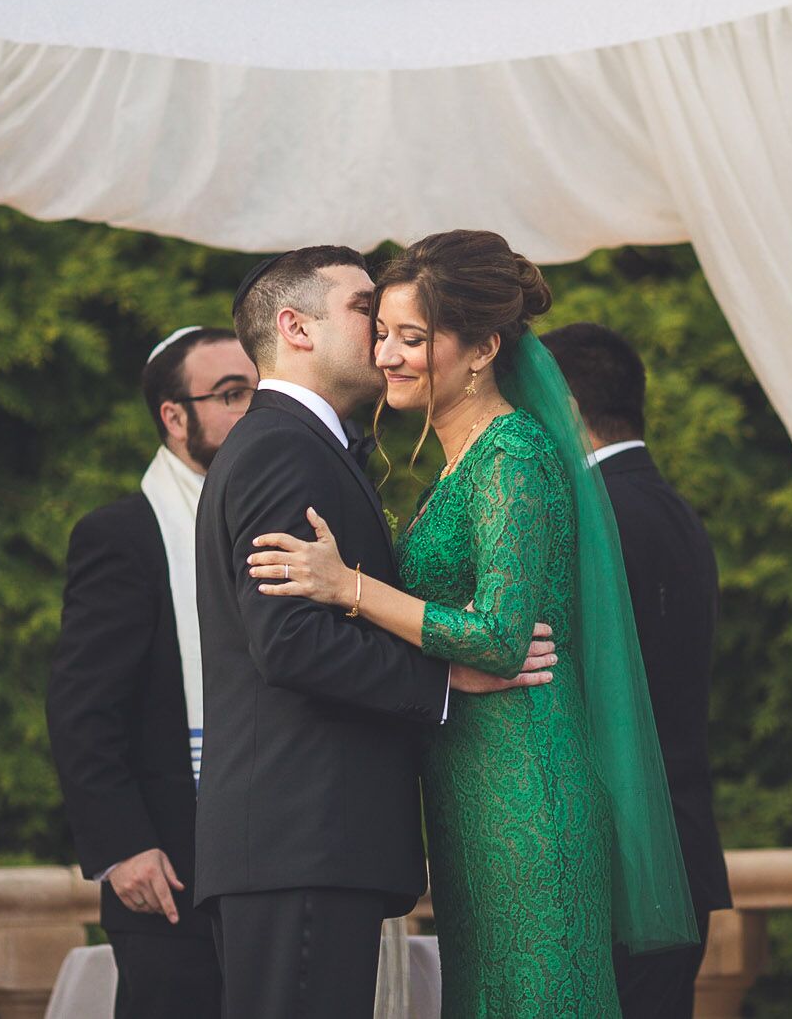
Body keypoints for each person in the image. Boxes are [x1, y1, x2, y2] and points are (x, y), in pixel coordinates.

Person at [249, 231, 697, 1017]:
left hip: (526, 789)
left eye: (412, 338)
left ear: (484, 347)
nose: (387, 354)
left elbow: (497, 636)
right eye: (382, 333)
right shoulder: (461, 463)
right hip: (471, 792)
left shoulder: (513, 456)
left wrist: (347, 586)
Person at [194, 246, 558, 1019]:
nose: (385, 331)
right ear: (295, 327)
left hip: (311, 840)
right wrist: (444, 681)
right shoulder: (281, 449)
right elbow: (289, 639)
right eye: (365, 311)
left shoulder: (313, 446)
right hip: (300, 835)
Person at [47, 326, 256, 1019]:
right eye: (230, 395)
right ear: (174, 417)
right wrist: (124, 845)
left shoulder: (282, 516)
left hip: (273, 851)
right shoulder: (124, 535)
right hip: (167, 865)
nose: (252, 408)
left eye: (259, 390)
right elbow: (82, 707)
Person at [543, 321, 733, 1019]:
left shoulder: (599, 516)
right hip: (676, 849)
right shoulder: (671, 509)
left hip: (622, 859)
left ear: (562, 403)